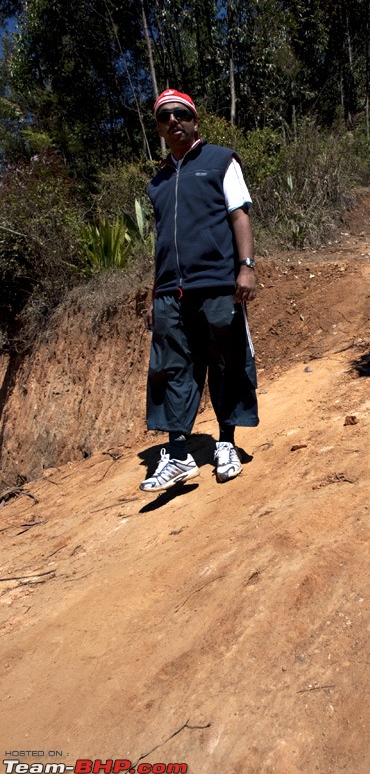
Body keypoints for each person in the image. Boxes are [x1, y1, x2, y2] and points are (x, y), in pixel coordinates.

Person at [140, 89, 259, 492]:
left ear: (194, 120)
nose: (172, 121)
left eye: (180, 113)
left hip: (218, 284)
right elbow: (161, 242)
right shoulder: (157, 182)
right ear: (158, 128)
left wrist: (246, 267)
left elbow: (238, 215)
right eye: (163, 117)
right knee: (172, 367)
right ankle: (177, 455)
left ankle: (226, 442)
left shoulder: (220, 160)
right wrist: (155, 292)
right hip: (171, 291)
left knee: (226, 362)